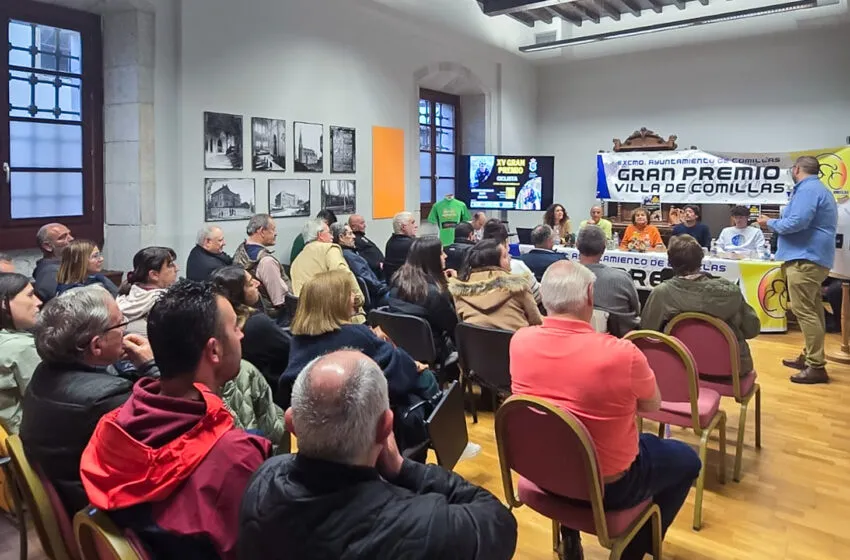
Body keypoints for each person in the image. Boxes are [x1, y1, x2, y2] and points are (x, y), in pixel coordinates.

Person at [239, 350, 518, 560]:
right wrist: (402, 468)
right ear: (386, 427)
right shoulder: (427, 526)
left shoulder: (260, 482)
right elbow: (499, 522)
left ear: (292, 423)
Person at [511, 260, 701, 560]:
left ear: (543, 297)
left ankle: (569, 532)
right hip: (608, 486)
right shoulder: (621, 353)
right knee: (688, 460)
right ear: (590, 294)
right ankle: (637, 548)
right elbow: (651, 405)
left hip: (541, 471)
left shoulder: (519, 341)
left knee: (566, 436)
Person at [80, 281, 272, 560]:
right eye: (234, 327)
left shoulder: (112, 427)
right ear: (214, 350)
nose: (241, 335)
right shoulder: (236, 457)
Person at [20, 285, 159, 517]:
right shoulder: (105, 398)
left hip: (70, 496)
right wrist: (151, 367)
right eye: (120, 322)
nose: (124, 329)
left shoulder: (44, 371)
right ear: (96, 345)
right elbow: (174, 424)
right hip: (100, 516)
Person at [281, 270, 438, 451]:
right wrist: (412, 363)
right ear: (335, 301)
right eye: (349, 293)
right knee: (426, 377)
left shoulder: (298, 340)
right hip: (362, 421)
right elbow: (398, 370)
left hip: (318, 432)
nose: (354, 296)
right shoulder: (355, 333)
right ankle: (438, 436)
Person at [758, 156, 838, 384]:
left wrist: (769, 223)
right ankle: (811, 356)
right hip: (812, 257)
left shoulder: (807, 190)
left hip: (805, 258)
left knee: (805, 312)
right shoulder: (817, 188)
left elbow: (797, 222)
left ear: (796, 169)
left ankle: (816, 366)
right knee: (813, 311)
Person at [641, 235, 761, 373]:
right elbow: (752, 329)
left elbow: (647, 333)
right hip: (733, 368)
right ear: (701, 259)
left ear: (670, 263)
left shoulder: (662, 293)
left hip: (683, 367)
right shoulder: (731, 291)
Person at [210, 266, 292, 388]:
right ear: (237, 293)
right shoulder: (256, 323)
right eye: (250, 284)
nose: (257, 283)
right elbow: (290, 348)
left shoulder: (214, 319)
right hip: (270, 388)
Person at [388, 236, 459, 364]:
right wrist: (453, 286)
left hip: (402, 350)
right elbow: (453, 327)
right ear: (431, 259)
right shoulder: (434, 293)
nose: (446, 256)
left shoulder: (397, 281)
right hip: (434, 352)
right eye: (441, 252)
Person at [450, 239, 542, 331]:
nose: (510, 257)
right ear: (495, 262)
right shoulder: (519, 286)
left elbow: (462, 323)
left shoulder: (459, 289)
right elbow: (536, 321)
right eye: (505, 256)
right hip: (515, 343)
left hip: (475, 344)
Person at [291, 219, 365, 323]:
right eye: (329, 232)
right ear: (320, 235)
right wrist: (358, 299)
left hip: (310, 321)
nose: (332, 236)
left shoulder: (296, 262)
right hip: (338, 318)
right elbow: (344, 276)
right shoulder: (329, 249)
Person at [577, 225, 640, 336]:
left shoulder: (560, 276)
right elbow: (635, 310)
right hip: (618, 340)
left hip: (572, 341)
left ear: (577, 245)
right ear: (604, 247)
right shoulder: (623, 278)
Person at [0, 273, 42, 434]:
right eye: (30, 295)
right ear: (4, 303)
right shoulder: (21, 348)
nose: (38, 302)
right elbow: (44, 402)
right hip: (25, 438)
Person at [233, 214, 291, 318]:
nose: (276, 233)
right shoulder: (267, 261)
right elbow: (279, 301)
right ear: (262, 231)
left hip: (251, 314)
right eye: (273, 229)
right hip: (275, 318)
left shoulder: (241, 251)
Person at [116, 247, 179, 337]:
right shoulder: (165, 304)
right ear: (154, 275)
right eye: (170, 265)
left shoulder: (123, 297)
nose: (176, 268)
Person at [481, 218, 541, 304]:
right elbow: (537, 295)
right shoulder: (517, 266)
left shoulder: (472, 268)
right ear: (506, 242)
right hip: (517, 314)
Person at [332, 222, 389, 309]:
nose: (354, 237)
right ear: (341, 237)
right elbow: (367, 279)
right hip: (377, 296)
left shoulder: (342, 254)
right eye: (350, 234)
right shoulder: (350, 256)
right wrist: (385, 288)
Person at [33, 222, 74, 302]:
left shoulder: (65, 266)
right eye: (62, 237)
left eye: (69, 234)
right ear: (48, 246)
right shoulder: (50, 272)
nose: (71, 239)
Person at [384, 211, 418, 282]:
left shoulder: (390, 242)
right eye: (412, 223)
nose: (416, 225)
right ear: (403, 227)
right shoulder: (412, 244)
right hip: (408, 286)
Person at [349, 214, 384, 278]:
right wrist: (378, 265)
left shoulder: (361, 237)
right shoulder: (355, 240)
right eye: (362, 223)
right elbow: (362, 259)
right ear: (353, 227)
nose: (365, 225)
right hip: (376, 275)